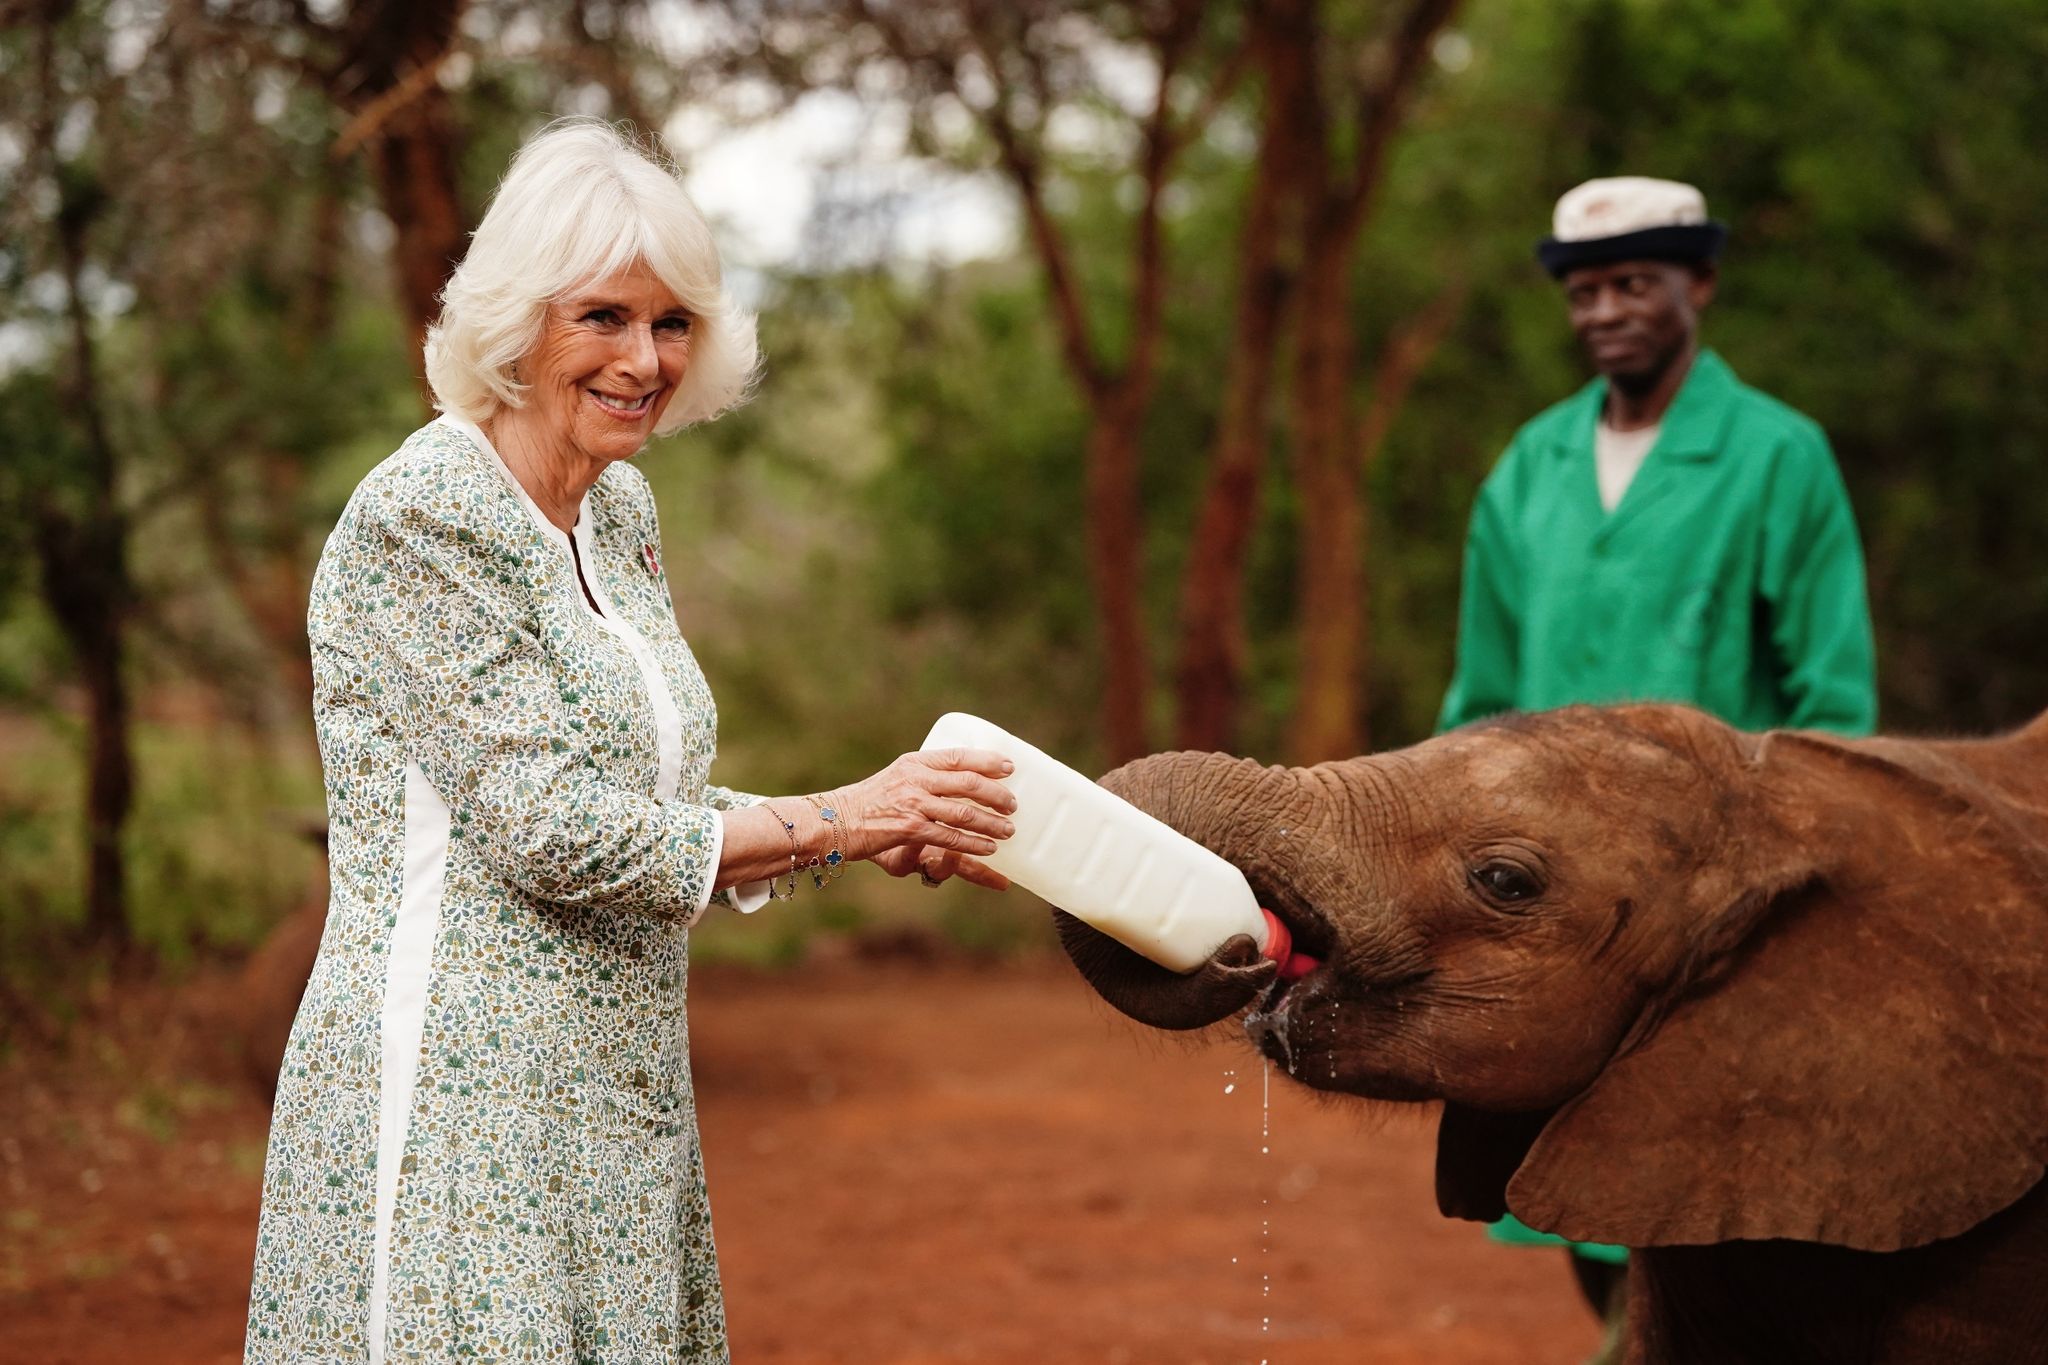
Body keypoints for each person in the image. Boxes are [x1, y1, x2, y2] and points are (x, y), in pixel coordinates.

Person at [243, 119, 1015, 1365]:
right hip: (459, 1108)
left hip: (616, 1089)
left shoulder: (616, 509)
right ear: (514, 320)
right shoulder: (423, 514)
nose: (643, 359)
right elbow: (553, 830)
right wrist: (845, 818)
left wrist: (873, 827)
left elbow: (649, 797)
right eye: (600, 317)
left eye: (670, 324)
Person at [1436, 177, 1878, 1354]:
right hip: (1554, 914)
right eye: (1585, 290)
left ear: (1699, 285)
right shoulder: (1529, 467)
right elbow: (1478, 704)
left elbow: (1833, 702)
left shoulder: (1778, 456)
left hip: (1712, 912)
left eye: (1635, 282)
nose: (1606, 310)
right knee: (1578, 1189)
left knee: (1711, 1199)